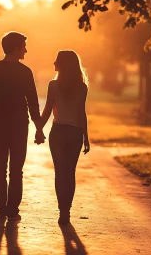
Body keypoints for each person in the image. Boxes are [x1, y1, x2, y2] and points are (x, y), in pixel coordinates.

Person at [0, 31, 45, 221]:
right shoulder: (25, 72)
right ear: (16, 48)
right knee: (16, 169)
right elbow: (33, 102)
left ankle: (1, 207)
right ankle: (13, 209)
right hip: (19, 126)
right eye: (24, 46)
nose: (26, 50)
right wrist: (39, 128)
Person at [40, 50, 90, 225]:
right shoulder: (82, 87)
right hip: (75, 133)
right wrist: (86, 136)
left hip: (59, 132)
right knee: (70, 172)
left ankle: (62, 210)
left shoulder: (53, 85)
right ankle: (66, 210)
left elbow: (47, 110)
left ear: (63, 64)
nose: (53, 62)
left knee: (60, 173)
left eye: (57, 60)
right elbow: (81, 114)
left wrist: (39, 128)